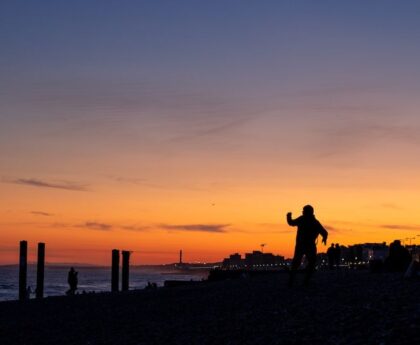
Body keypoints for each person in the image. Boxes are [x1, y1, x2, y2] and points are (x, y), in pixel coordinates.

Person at [287, 205, 328, 286]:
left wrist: (288, 216)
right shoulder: (314, 221)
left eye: (304, 211)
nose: (302, 212)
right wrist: (324, 238)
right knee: (310, 263)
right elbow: (324, 232)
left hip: (302, 245)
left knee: (298, 263)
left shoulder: (303, 219)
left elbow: (291, 223)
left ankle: (295, 280)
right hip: (309, 245)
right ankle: (304, 280)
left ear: (307, 212)